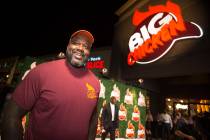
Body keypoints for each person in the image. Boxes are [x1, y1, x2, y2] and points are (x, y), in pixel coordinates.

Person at [1, 29, 101, 140]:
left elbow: (93, 119)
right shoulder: (41, 72)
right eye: (76, 43)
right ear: (68, 45)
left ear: (89, 51)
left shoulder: (95, 83)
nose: (80, 48)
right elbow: (11, 115)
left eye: (86, 46)